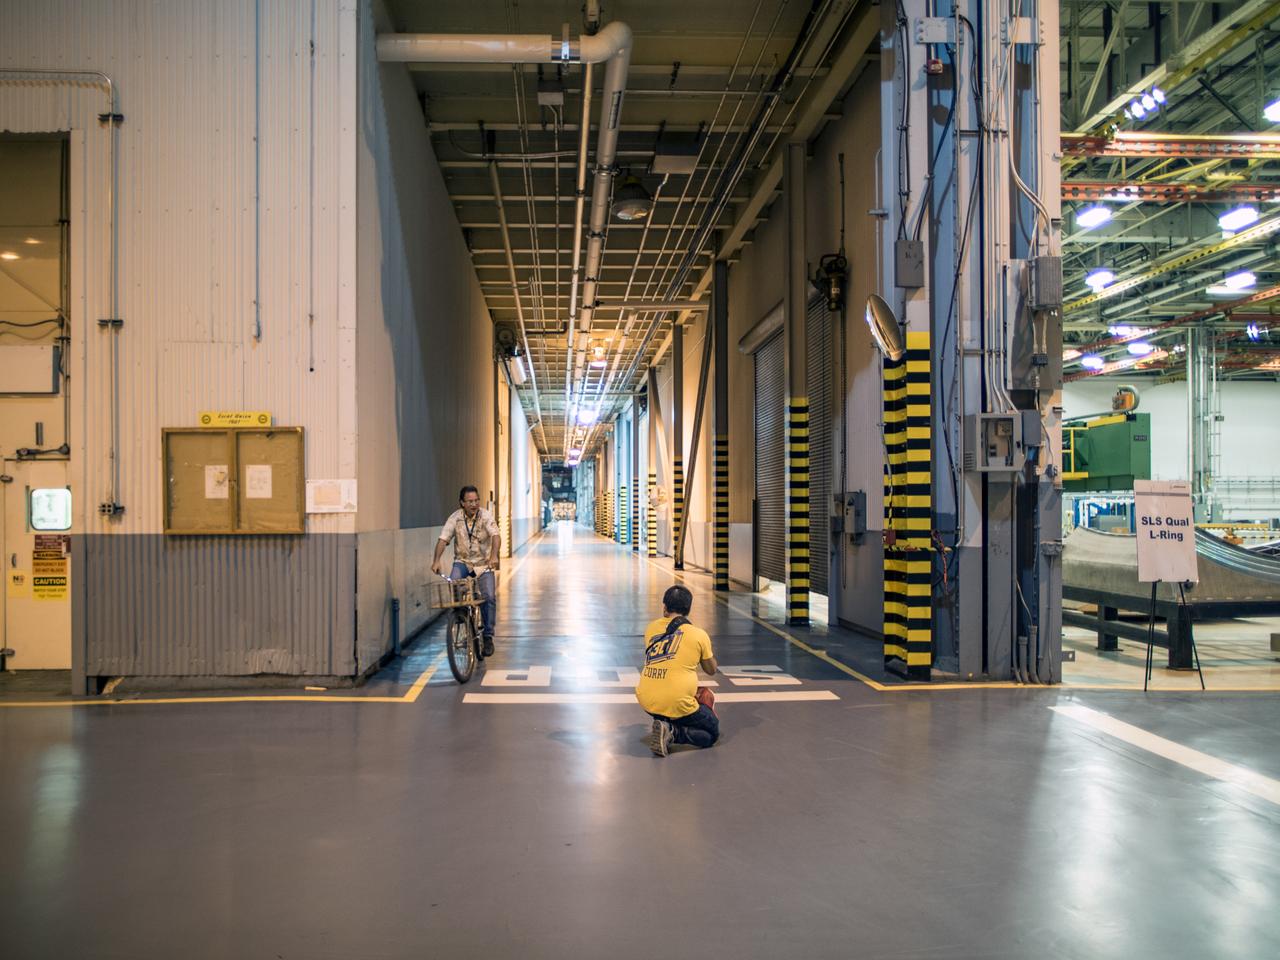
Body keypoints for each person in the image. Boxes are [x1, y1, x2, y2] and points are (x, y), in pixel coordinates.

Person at [635, 585, 719, 757]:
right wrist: (705, 652)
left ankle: (664, 722)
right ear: (688, 609)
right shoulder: (698, 635)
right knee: (711, 733)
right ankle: (673, 732)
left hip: (647, 700)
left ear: (664, 607)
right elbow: (711, 670)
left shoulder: (650, 629)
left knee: (668, 690)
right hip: (677, 702)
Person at [432, 485, 501, 656]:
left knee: (489, 597)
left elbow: (496, 536)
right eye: (470, 501)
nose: (474, 504)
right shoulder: (455, 518)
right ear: (462, 503)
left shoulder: (485, 516)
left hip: (483, 564)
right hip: (462, 562)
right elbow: (443, 539)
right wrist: (436, 560)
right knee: (454, 584)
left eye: (476, 500)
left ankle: (488, 636)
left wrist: (493, 556)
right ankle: (461, 616)